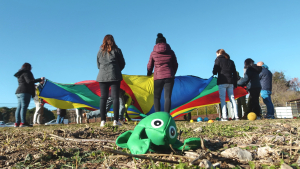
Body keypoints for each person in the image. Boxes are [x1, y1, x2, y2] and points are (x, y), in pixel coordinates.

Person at [96, 34, 125, 127]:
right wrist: (116, 69)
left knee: (103, 98)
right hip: (114, 75)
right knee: (115, 97)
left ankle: (103, 121)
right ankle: (116, 121)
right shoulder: (117, 50)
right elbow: (123, 63)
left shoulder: (100, 52)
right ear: (113, 41)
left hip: (102, 76)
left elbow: (98, 65)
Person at [147, 33, 178, 113]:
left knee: (156, 97)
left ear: (156, 43)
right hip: (169, 77)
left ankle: (157, 115)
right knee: (167, 97)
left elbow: (149, 66)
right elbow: (176, 64)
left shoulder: (153, 53)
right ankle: (167, 115)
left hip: (158, 78)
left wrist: (149, 73)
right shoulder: (171, 52)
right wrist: (172, 73)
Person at [14, 63, 44, 127]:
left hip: (19, 92)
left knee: (19, 107)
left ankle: (17, 123)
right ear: (28, 67)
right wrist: (40, 79)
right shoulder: (27, 72)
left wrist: (33, 85)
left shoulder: (20, 73)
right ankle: (23, 122)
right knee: (24, 107)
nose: (31, 68)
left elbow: (25, 82)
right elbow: (29, 81)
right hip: (25, 92)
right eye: (31, 67)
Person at [212, 49, 238, 121]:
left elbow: (214, 71)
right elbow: (234, 74)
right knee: (232, 98)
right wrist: (235, 84)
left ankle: (224, 117)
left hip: (222, 81)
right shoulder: (231, 61)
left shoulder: (218, 60)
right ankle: (236, 116)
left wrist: (214, 71)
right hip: (230, 82)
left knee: (223, 99)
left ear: (219, 53)